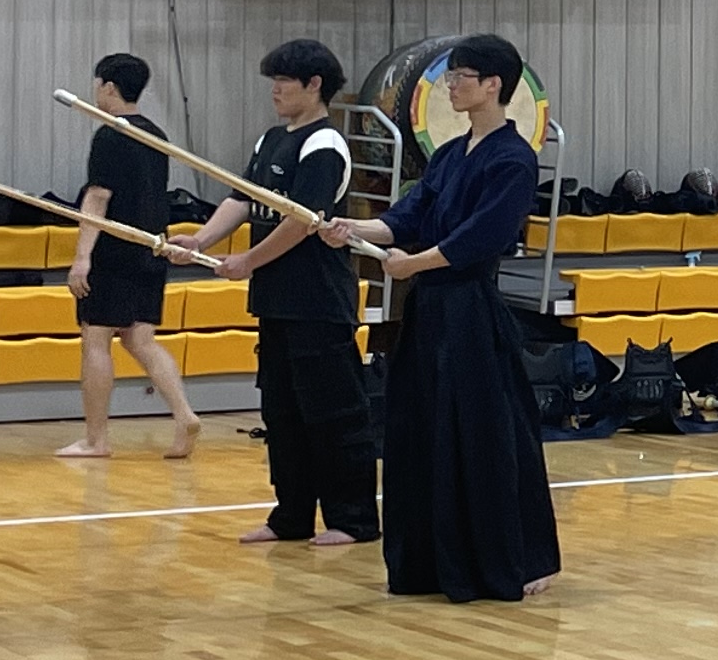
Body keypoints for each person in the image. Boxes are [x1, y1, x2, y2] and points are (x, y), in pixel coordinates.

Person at [326, 33, 558, 603]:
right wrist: (351, 229)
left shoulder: (514, 159)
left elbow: (481, 238)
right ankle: (429, 561)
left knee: (483, 437)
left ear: (493, 85)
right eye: (450, 76)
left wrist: (414, 264)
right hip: (428, 312)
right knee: (420, 432)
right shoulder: (451, 154)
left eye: (460, 77)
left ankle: (509, 559)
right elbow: (406, 218)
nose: (450, 86)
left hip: (472, 312)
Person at [193, 37, 380, 549]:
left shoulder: (325, 145)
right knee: (282, 413)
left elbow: (301, 222)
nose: (274, 90)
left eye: (283, 81)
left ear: (314, 85)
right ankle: (291, 515)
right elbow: (242, 199)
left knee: (333, 414)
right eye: (272, 81)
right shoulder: (271, 139)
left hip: (318, 303)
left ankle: (354, 519)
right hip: (276, 302)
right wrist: (201, 241)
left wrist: (247, 261)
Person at [63, 51, 202, 463]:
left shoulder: (110, 134)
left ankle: (96, 440)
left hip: (114, 250)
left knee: (96, 339)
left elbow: (97, 197)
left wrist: (82, 257)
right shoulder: (156, 134)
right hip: (151, 247)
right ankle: (184, 413)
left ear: (108, 87)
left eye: (97, 84)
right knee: (140, 339)